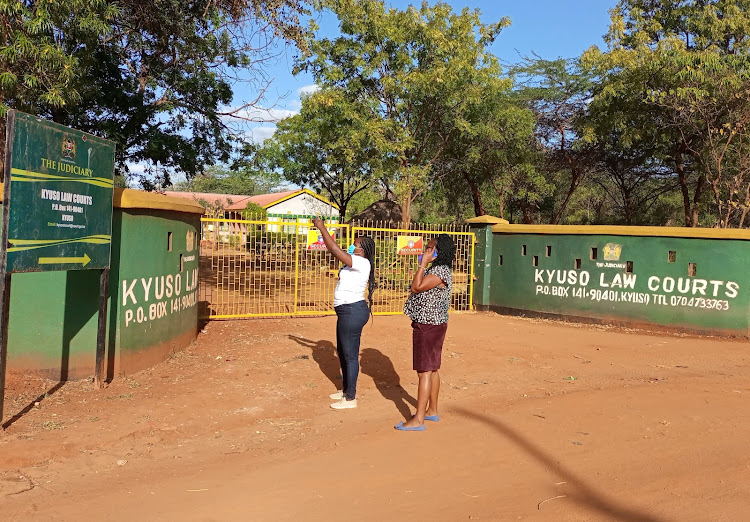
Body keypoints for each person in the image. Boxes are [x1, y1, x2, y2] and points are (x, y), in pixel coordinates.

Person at [312, 218, 376, 410]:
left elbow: (335, 250)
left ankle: (350, 399)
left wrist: (322, 228)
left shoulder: (362, 262)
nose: (351, 246)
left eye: (354, 245)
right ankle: (346, 390)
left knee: (350, 356)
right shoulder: (353, 264)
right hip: (347, 311)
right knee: (342, 352)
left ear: (362, 250)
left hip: (352, 311)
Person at [396, 234, 455, 431]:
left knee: (424, 372)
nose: (425, 252)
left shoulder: (438, 271)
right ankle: (432, 411)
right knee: (433, 369)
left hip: (428, 326)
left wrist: (422, 265)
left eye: (429, 249)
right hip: (434, 325)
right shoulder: (440, 270)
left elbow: (417, 287)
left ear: (438, 252)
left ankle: (419, 420)